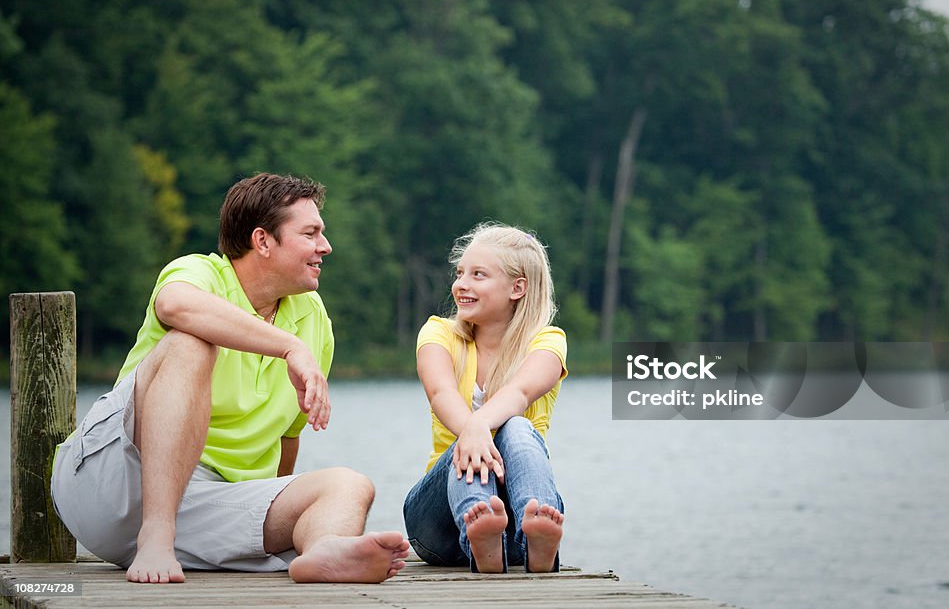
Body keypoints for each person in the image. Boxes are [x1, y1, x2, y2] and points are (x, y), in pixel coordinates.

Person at [51, 173, 409, 584]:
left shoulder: (314, 320)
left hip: (204, 509)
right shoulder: (200, 273)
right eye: (310, 233)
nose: (324, 247)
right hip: (110, 481)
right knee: (192, 343)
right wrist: (288, 347)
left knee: (349, 484)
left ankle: (324, 549)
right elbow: (175, 305)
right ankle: (157, 533)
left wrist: (275, 505)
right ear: (262, 241)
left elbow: (286, 441)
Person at [402, 222, 567, 573]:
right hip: (438, 525)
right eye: (461, 272)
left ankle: (532, 533)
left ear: (517, 288)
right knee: (472, 439)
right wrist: (471, 430)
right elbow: (440, 392)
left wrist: (478, 424)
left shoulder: (548, 341)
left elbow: (520, 392)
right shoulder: (438, 333)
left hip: (515, 526)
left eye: (479, 275)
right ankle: (479, 524)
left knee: (517, 427)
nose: (462, 284)